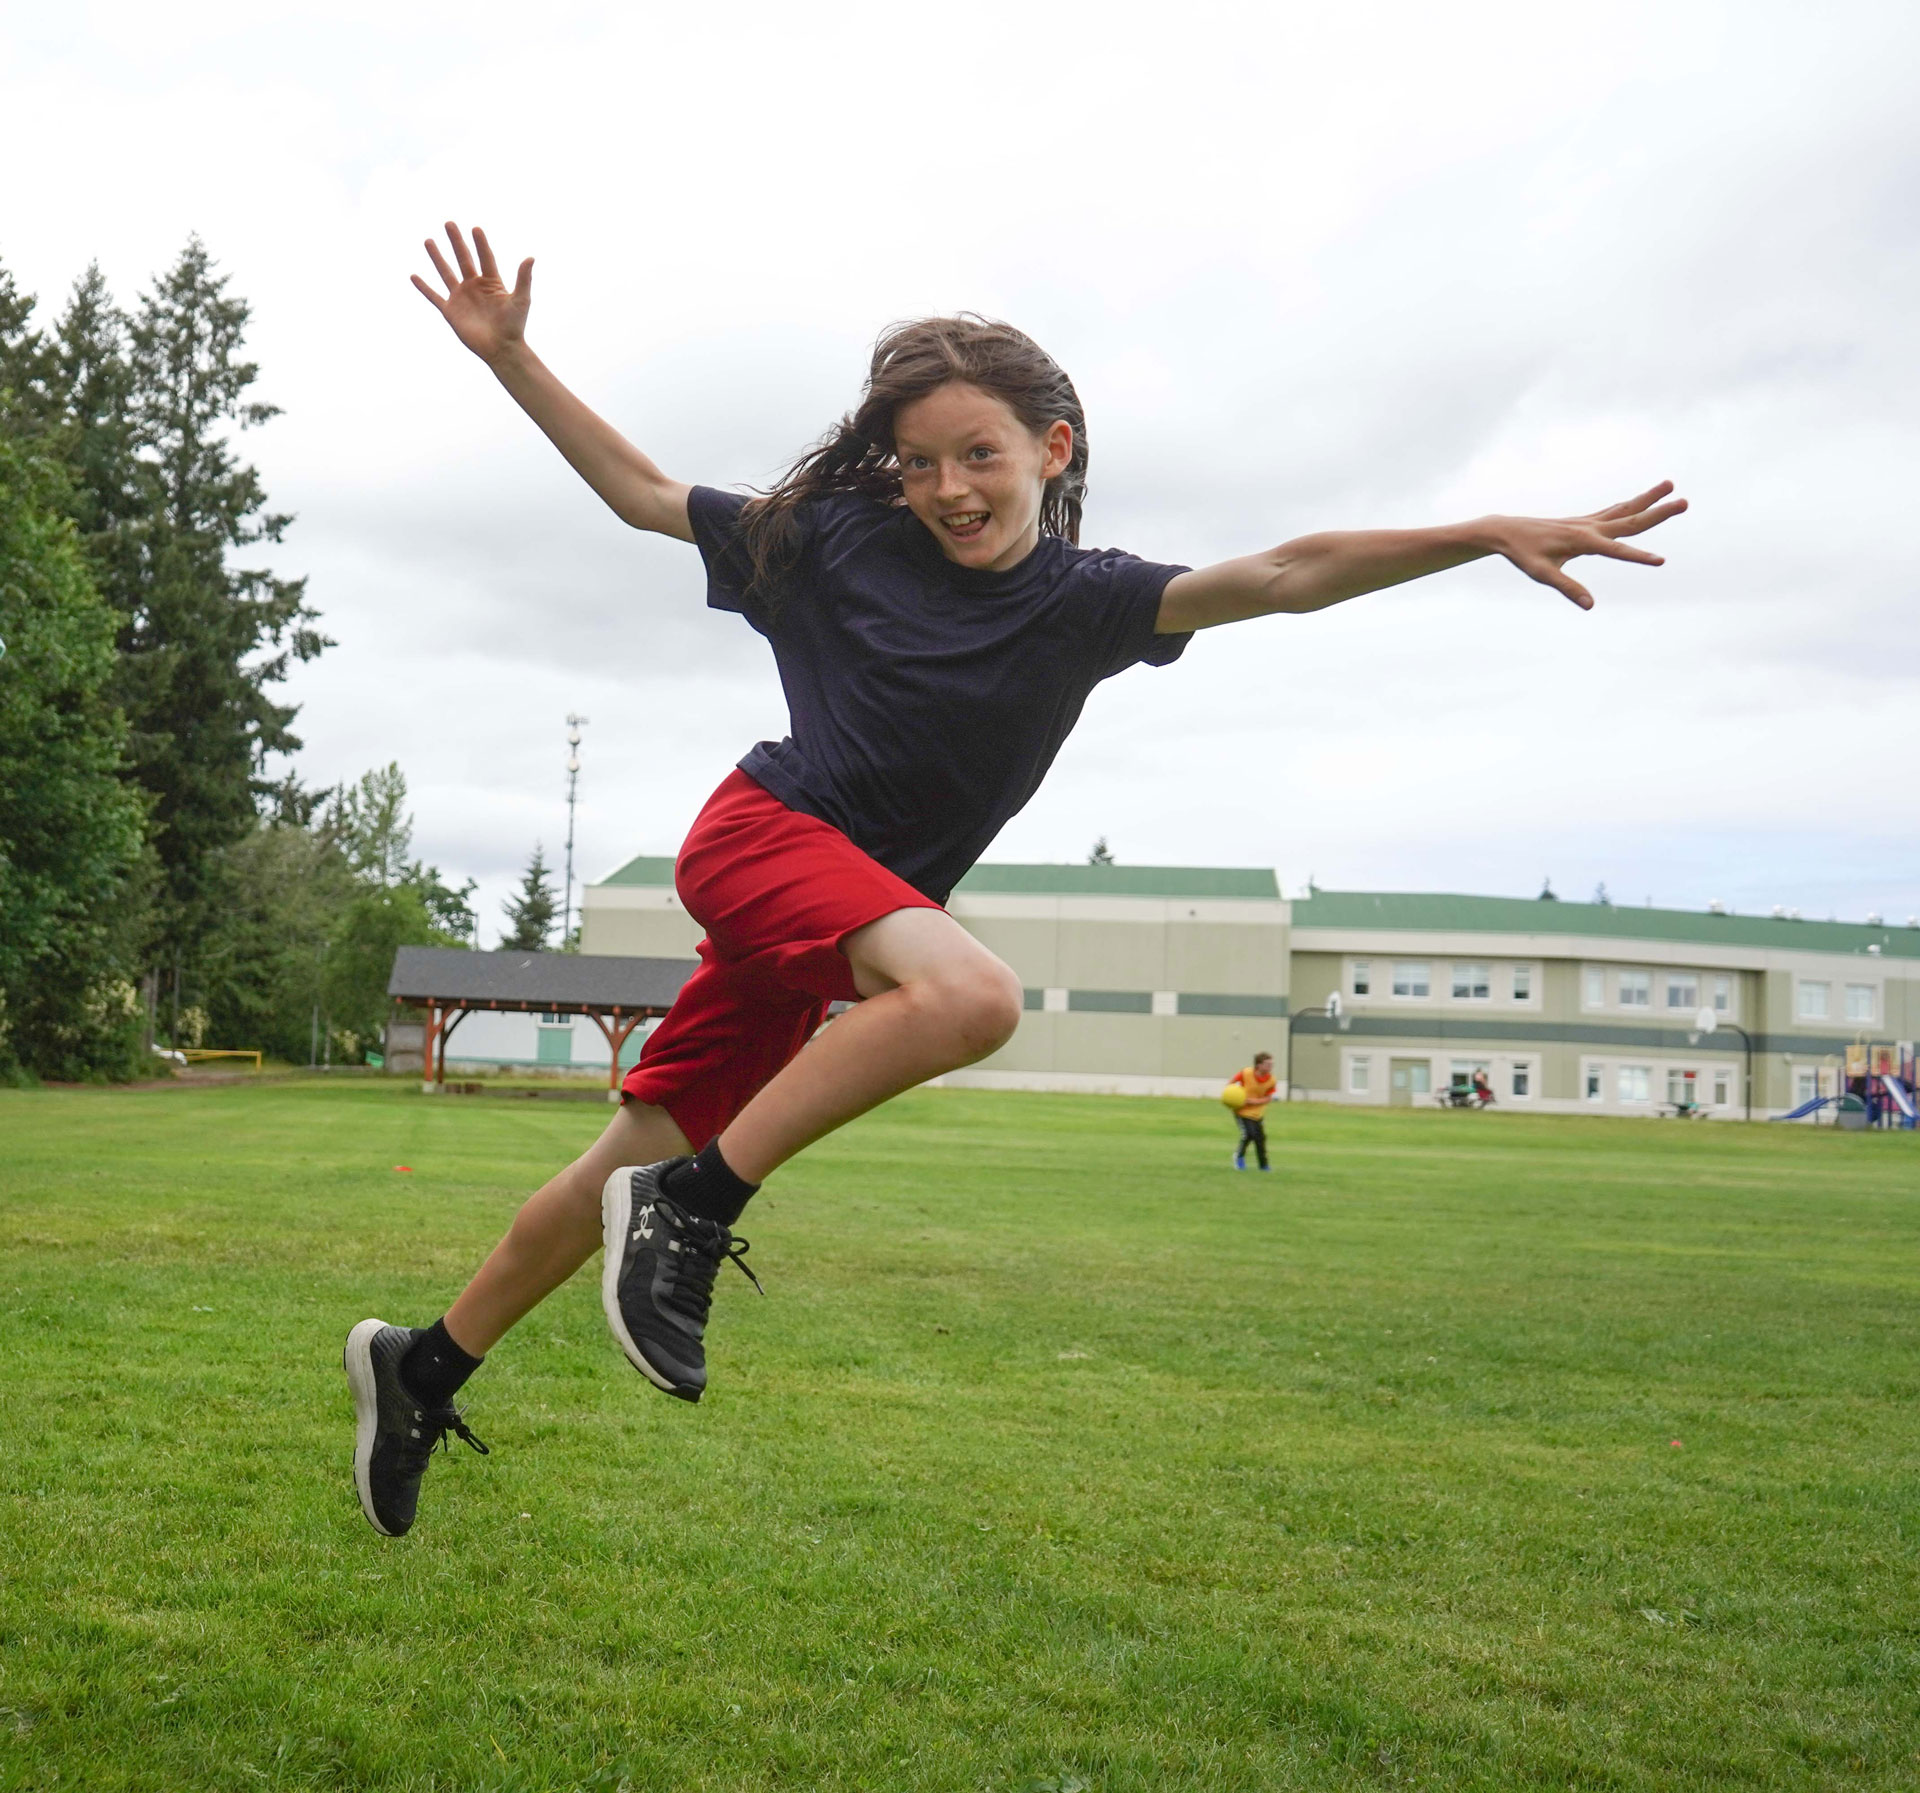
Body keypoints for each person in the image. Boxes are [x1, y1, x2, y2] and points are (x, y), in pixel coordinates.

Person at [342, 221, 1686, 1537]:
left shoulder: (1087, 603)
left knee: (617, 1162)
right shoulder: (833, 539)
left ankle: (424, 1366)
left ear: (1053, 448)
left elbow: (1282, 572)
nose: (947, 486)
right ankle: (695, 1213)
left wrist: (1479, 528)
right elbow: (643, 495)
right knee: (971, 996)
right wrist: (509, 358)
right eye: (918, 461)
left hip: (820, 927)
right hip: (764, 838)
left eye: (976, 453)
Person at [1231, 1052, 1278, 1170]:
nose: (1270, 1067)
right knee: (1248, 1134)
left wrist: (1254, 1102)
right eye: (1267, 1064)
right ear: (1259, 1065)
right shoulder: (1245, 1073)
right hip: (1241, 1112)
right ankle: (1239, 1157)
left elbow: (1268, 1097)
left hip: (1257, 1113)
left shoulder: (1271, 1080)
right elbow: (1230, 1086)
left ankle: (1263, 1165)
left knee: (1260, 1138)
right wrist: (1237, 1098)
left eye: (1272, 1064)